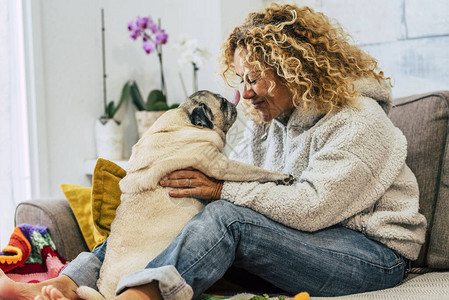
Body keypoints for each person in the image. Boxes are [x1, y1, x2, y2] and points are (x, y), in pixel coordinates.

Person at [0, 3, 427, 300]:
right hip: (302, 244)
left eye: (255, 78)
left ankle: (138, 297)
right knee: (150, 220)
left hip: (372, 256)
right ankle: (64, 285)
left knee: (225, 218)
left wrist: (219, 191)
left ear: (296, 69)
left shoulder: (360, 121)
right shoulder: (267, 123)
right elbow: (246, 188)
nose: (243, 94)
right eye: (239, 79)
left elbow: (311, 207)